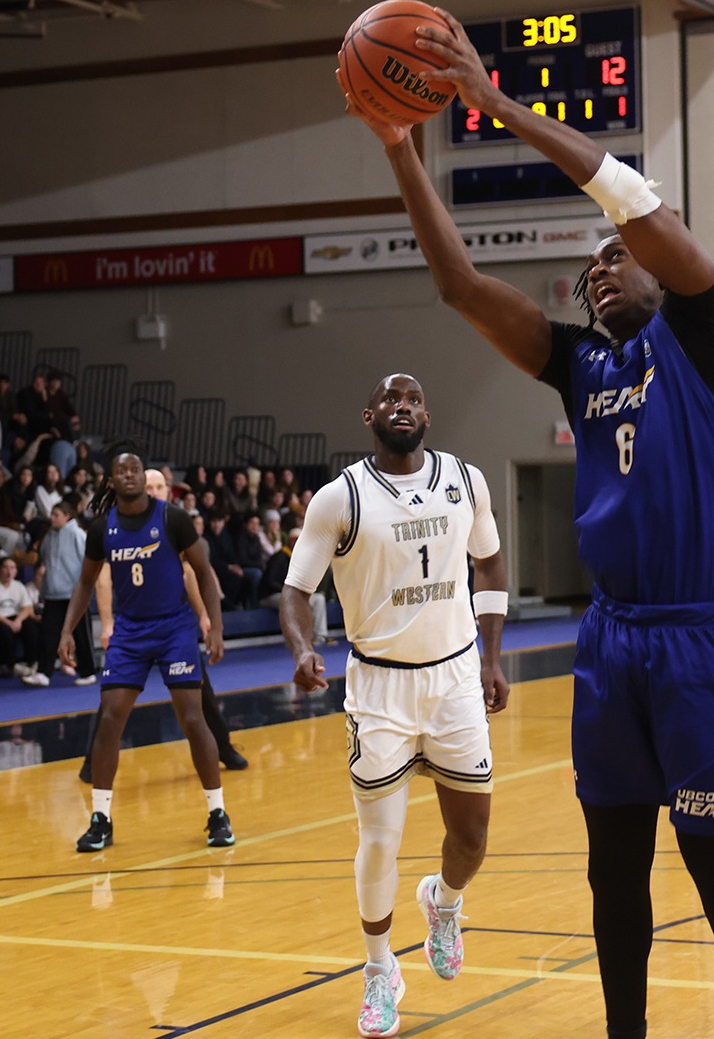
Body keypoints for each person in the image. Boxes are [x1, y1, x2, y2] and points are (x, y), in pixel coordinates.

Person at [352, 11, 714, 1039]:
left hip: (700, 638)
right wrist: (402, 147)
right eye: (589, 268)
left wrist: (497, 107)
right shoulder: (580, 365)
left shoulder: (709, 337)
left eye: (617, 259)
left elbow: (633, 205)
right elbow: (459, 285)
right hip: (612, 641)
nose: (602, 271)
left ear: (657, 262)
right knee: (613, 876)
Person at [281, 373, 509, 1037]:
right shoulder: (340, 497)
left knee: (471, 837)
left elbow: (490, 566)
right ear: (369, 417)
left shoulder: (465, 479)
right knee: (379, 840)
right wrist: (300, 648)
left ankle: (444, 902)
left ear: (427, 415)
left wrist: (492, 658)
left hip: (456, 679)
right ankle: (379, 970)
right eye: (390, 400)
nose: (402, 407)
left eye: (412, 399)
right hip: (378, 689)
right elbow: (297, 591)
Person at [57, 445, 233, 852]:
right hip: (131, 633)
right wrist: (68, 630)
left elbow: (204, 573)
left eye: (137, 468)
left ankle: (217, 813)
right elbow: (85, 582)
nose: (131, 475)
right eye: (123, 470)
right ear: (111, 480)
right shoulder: (102, 528)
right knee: (110, 718)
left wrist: (216, 627)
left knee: (192, 718)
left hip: (174, 629)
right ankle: (101, 818)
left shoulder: (172, 517)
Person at [75, 467, 248, 776]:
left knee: (200, 690)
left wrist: (204, 614)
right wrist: (107, 623)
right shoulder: (119, 523)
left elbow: (189, 573)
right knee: (113, 697)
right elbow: (101, 579)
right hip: (132, 624)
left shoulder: (170, 520)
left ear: (167, 491)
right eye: (149, 485)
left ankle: (222, 745)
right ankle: (92, 761)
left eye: (159, 486)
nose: (153, 490)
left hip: (171, 623)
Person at [37, 499, 96, 685]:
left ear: (67, 516)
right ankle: (43, 673)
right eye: (51, 515)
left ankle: (88, 672)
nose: (52, 518)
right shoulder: (48, 536)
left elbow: (89, 561)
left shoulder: (78, 534)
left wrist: (85, 587)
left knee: (81, 635)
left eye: (56, 515)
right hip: (53, 593)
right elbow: (44, 559)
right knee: (48, 634)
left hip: (74, 594)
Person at [0, 554, 46, 687]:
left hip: (15, 616)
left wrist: (18, 621)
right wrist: (9, 623)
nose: (9, 571)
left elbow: (27, 607)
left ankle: (32, 663)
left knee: (30, 626)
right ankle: (11, 665)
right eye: (5, 567)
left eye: (12, 568)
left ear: (16, 571)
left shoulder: (18, 586)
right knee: (3, 630)